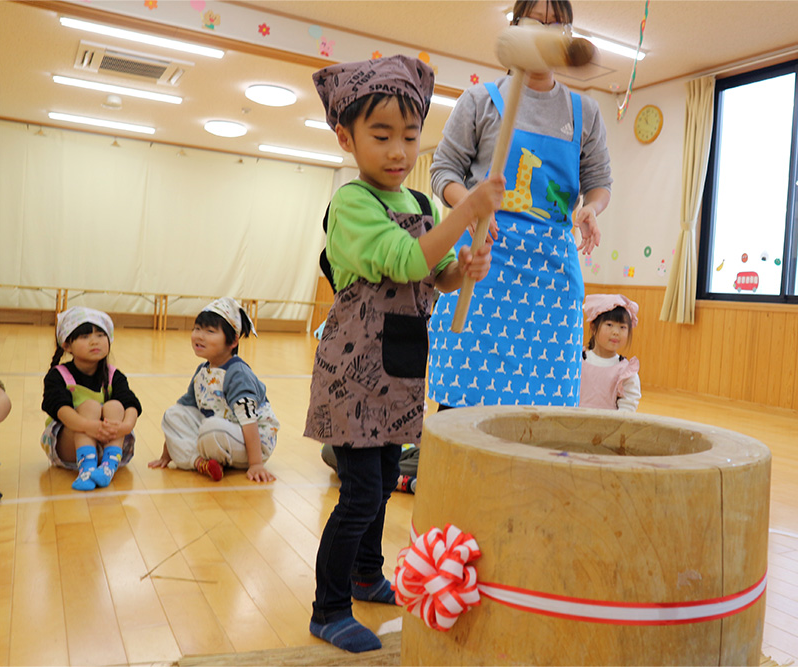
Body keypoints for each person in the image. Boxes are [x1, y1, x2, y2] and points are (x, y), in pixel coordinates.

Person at [305, 55, 503, 653]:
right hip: (352, 374)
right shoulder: (352, 203)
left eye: (411, 137)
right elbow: (407, 260)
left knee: (386, 479)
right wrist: (466, 210)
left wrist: (464, 265)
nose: (398, 151)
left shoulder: (420, 202)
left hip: (402, 367)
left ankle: (367, 575)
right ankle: (328, 608)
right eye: (381, 135)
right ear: (346, 138)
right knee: (360, 492)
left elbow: (437, 274)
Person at [426, 0, 613, 409]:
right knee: (464, 401)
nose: (546, 32)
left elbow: (599, 182)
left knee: (544, 409)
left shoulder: (585, 111)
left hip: (552, 278)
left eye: (556, 24)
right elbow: (443, 171)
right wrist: (472, 204)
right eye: (536, 22)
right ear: (515, 27)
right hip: (485, 261)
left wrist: (591, 209)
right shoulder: (480, 100)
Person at [151, 298, 278, 483]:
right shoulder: (202, 371)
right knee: (173, 414)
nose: (199, 336)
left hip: (253, 443)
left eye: (210, 331)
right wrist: (168, 452)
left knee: (211, 429)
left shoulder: (238, 373)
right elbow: (185, 411)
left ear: (233, 341)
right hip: (217, 435)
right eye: (197, 329)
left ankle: (201, 457)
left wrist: (256, 464)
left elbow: (249, 421)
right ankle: (200, 462)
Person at [41, 307, 140, 491]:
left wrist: (125, 427)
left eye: (100, 335)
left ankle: (108, 466)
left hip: (106, 440)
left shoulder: (114, 375)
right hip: (69, 445)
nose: (94, 341)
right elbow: (59, 408)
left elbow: (130, 403)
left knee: (116, 406)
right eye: (85, 336)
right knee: (90, 407)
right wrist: (88, 426)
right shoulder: (58, 376)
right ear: (67, 345)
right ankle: (86, 468)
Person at [579, 294, 641, 411]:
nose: (616, 332)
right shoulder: (578, 361)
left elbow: (628, 407)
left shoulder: (625, 372)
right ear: (593, 327)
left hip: (609, 423)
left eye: (622, 327)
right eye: (609, 325)